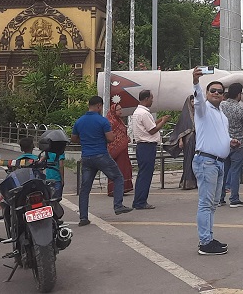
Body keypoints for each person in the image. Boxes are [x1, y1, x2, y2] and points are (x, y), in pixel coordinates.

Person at [191, 67, 239, 256]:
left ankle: (208, 238)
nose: (217, 93)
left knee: (212, 204)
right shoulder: (203, 110)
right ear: (207, 93)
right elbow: (198, 100)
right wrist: (196, 82)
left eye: (220, 91)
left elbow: (220, 136)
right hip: (207, 162)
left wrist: (230, 142)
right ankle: (205, 242)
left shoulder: (221, 115)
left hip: (218, 162)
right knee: (206, 203)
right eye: (213, 91)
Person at [71, 96, 133, 226]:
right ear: (99, 106)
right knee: (118, 177)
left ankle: (83, 218)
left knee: (85, 188)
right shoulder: (102, 121)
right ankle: (118, 205)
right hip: (101, 155)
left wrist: (86, 140)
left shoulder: (79, 121)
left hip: (86, 157)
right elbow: (110, 139)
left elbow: (74, 139)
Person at [129, 90, 171, 209]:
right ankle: (140, 201)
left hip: (142, 146)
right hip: (147, 146)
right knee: (145, 175)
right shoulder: (144, 113)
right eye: (151, 98)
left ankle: (139, 200)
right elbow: (152, 130)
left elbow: (150, 125)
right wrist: (163, 122)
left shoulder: (138, 112)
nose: (152, 101)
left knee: (143, 174)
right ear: (146, 99)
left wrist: (160, 120)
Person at [219, 82, 243, 208]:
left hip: (224, 142)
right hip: (238, 144)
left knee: (223, 171)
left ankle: (220, 198)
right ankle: (234, 198)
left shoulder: (221, 105)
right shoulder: (240, 109)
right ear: (239, 94)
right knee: (235, 171)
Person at [107, 99, 134, 197]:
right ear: (113, 111)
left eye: (120, 109)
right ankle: (114, 190)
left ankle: (123, 189)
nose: (120, 111)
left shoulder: (120, 121)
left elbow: (122, 134)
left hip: (123, 150)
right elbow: (112, 136)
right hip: (115, 151)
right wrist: (123, 140)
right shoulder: (111, 122)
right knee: (117, 169)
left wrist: (126, 138)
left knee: (124, 169)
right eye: (118, 110)